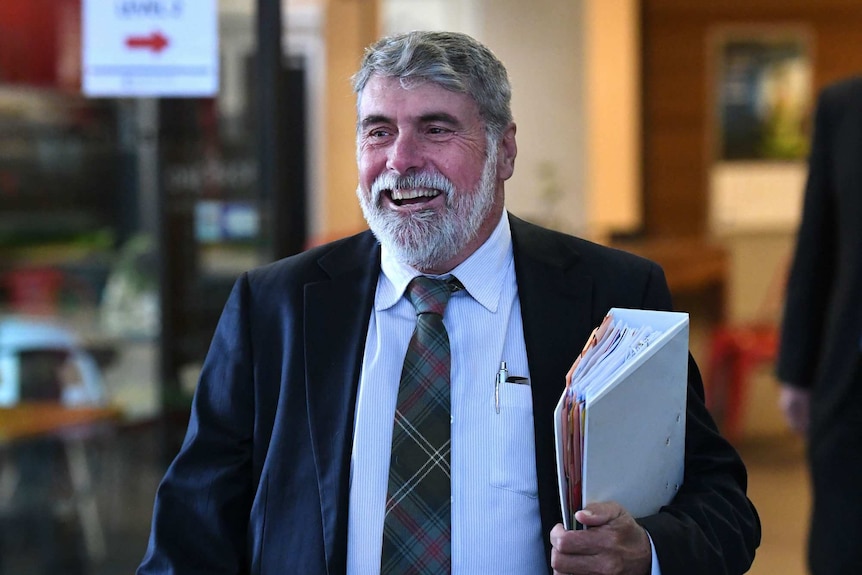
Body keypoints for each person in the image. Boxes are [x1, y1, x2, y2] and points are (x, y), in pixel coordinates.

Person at [137, 31, 759, 575]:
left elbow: (721, 505)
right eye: (378, 131)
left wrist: (645, 550)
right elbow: (193, 528)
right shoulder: (275, 308)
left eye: (436, 129)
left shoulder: (610, 296)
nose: (400, 161)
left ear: (504, 150)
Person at [776, 75, 862, 575]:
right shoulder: (843, 106)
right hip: (850, 379)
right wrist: (796, 369)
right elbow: (817, 242)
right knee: (841, 545)